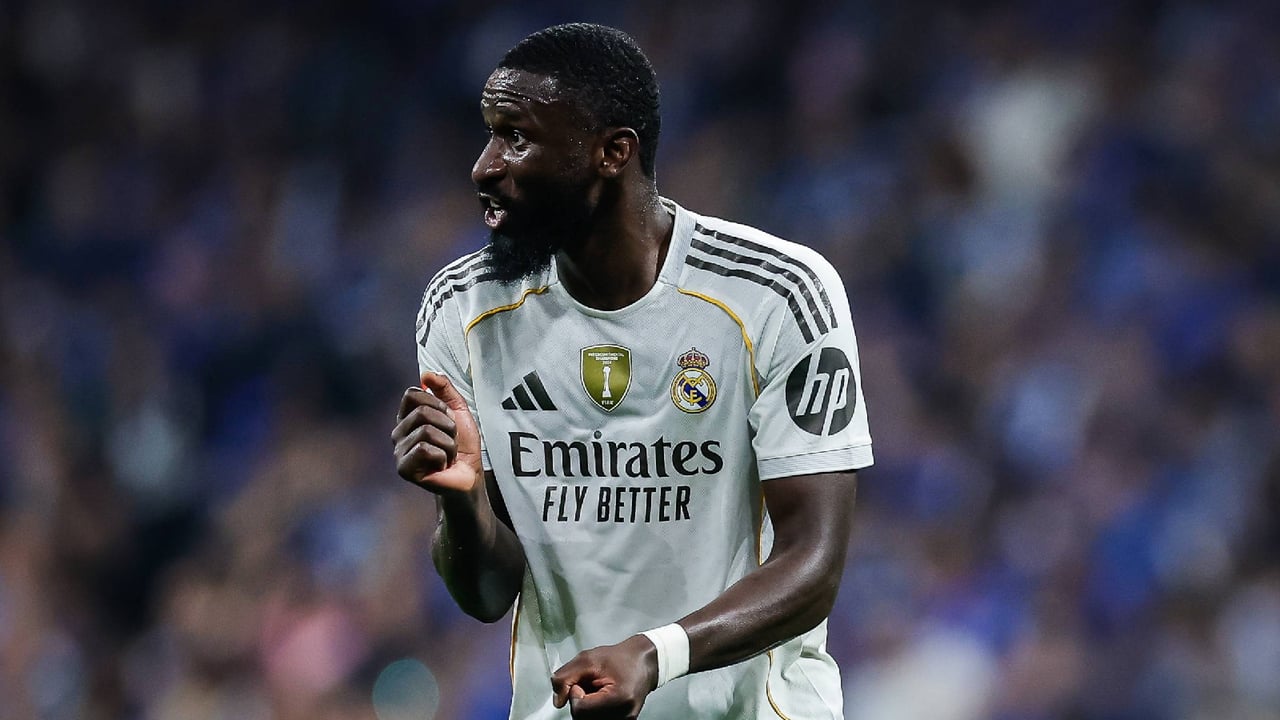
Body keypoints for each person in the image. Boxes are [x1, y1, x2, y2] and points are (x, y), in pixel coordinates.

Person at [391, 22, 873, 719]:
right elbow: (488, 595)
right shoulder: (463, 308)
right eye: (490, 135)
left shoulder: (777, 294)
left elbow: (814, 565)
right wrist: (462, 503)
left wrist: (653, 653)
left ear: (612, 152)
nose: (484, 167)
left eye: (516, 138)